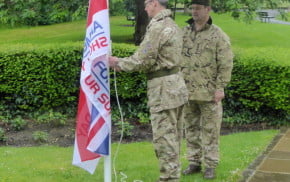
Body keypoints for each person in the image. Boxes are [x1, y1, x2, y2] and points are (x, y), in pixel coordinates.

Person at [108, 0, 188, 181]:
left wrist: (117, 63)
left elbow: (143, 59)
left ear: (155, 3)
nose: (144, 8)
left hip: (163, 90)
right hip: (176, 86)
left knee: (164, 141)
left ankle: (168, 178)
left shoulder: (158, 27)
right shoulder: (173, 25)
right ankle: (172, 176)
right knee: (173, 138)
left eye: (146, 4)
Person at [181, 0, 233, 179]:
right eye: (192, 8)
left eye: (198, 8)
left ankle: (210, 165)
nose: (194, 11)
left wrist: (220, 88)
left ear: (208, 9)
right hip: (187, 92)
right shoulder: (184, 32)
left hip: (209, 93)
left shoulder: (218, 35)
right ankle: (194, 162)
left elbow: (226, 64)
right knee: (191, 129)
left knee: (210, 131)